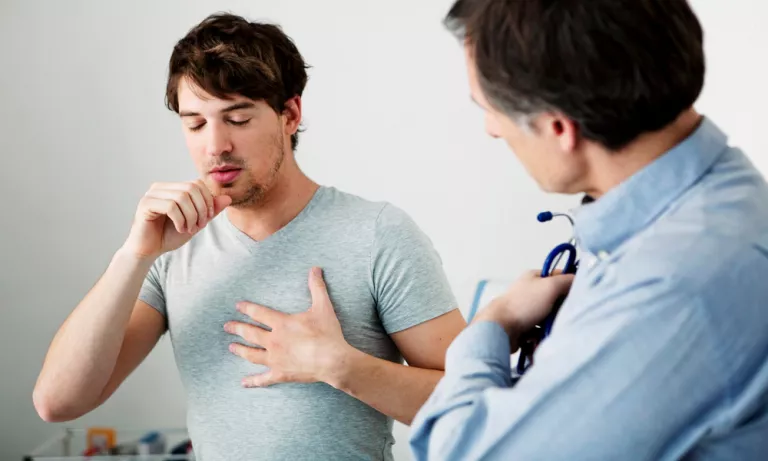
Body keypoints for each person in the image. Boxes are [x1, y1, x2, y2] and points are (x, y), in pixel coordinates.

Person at [32, 12, 466, 461]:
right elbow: (59, 402)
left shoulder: (378, 235)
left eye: (237, 119)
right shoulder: (171, 248)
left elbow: (471, 402)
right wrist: (134, 254)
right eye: (195, 123)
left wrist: (340, 366)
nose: (215, 145)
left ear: (289, 115)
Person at [409, 0, 768, 460]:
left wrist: (488, 329)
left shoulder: (674, 284)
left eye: (489, 109)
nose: (491, 130)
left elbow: (464, 453)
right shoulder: (720, 200)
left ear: (559, 128)